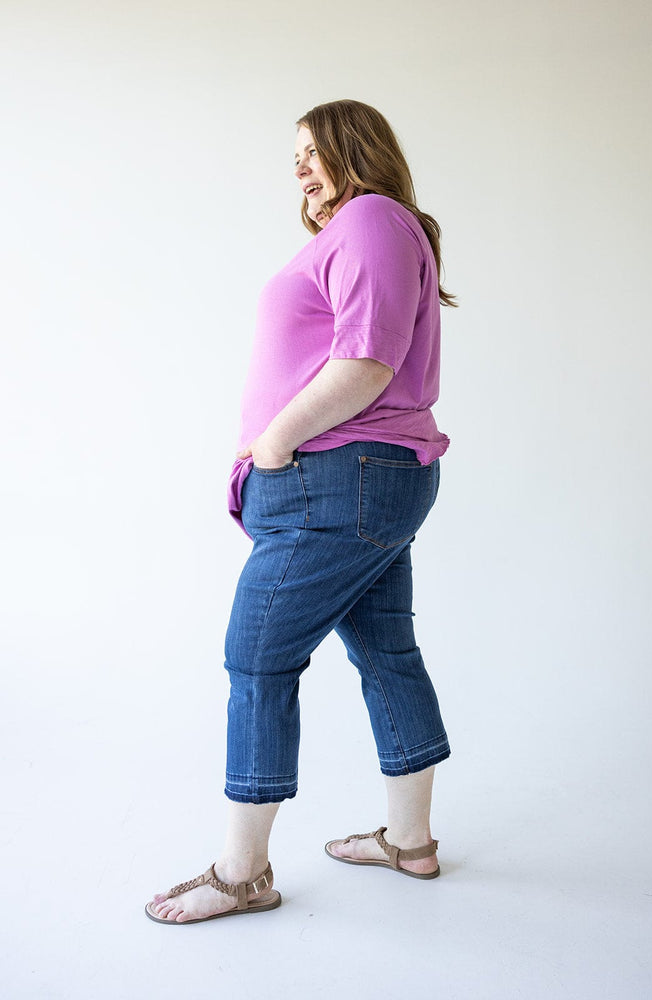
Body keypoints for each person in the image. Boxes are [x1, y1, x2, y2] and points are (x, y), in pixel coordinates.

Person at [145, 99, 457, 925]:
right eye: (293, 156)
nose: (297, 168)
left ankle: (241, 872)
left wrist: (273, 441)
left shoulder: (372, 220)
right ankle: (409, 841)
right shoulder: (364, 228)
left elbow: (364, 360)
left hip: (338, 476)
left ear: (353, 149)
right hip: (358, 478)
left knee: (256, 659)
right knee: (387, 653)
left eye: (310, 151)